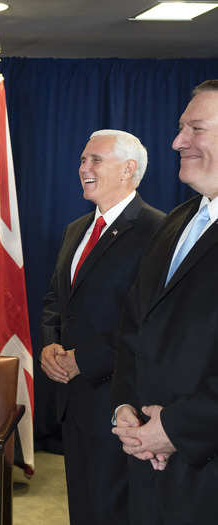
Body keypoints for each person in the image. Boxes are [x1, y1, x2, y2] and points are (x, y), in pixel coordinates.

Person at [40, 130, 165, 525]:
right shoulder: (76, 230)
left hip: (119, 402)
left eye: (95, 160)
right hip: (72, 402)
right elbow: (55, 302)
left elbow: (152, 322)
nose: (83, 168)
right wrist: (50, 345)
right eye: (82, 160)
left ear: (129, 169)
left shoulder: (158, 231)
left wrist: (87, 360)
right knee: (83, 507)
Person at [111, 79, 218, 525]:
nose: (177, 142)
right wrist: (126, 412)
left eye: (196, 129)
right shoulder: (178, 221)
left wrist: (174, 429)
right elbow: (135, 327)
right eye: (180, 128)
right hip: (150, 464)